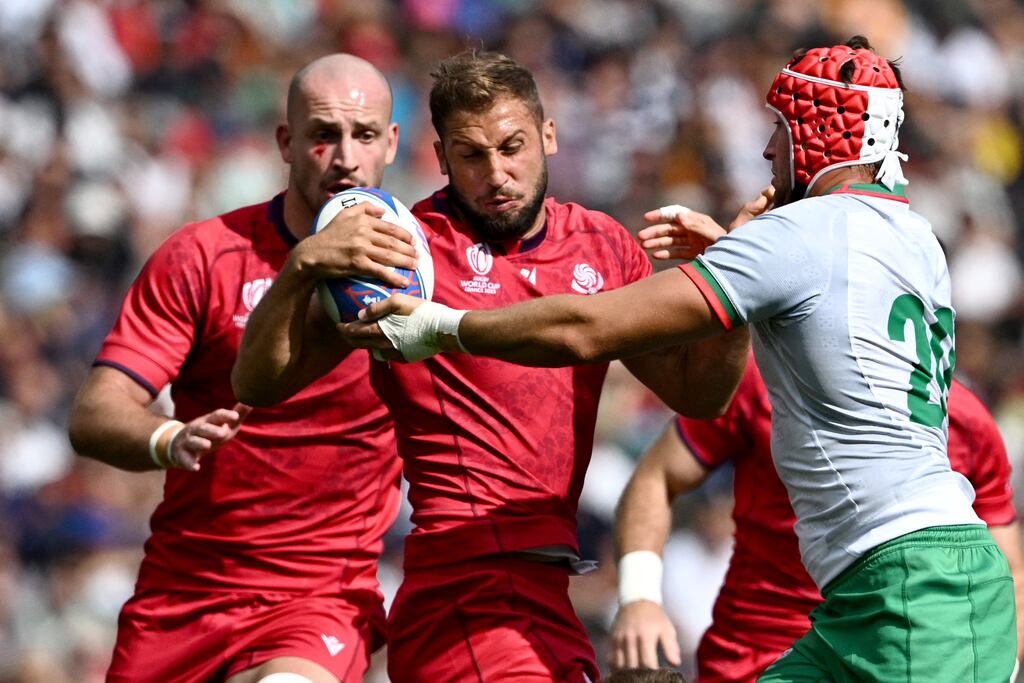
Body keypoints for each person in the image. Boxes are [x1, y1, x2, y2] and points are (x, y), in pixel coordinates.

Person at [346, 36, 1019, 681]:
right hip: (881, 588)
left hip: (913, 585)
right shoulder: (915, 234)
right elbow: (734, 360)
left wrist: (445, 326)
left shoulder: (802, 230)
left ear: (820, 137)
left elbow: (586, 327)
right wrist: (733, 261)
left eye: (780, 133)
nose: (765, 149)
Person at [233, 50, 748, 683]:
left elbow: (701, 395)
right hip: (466, 592)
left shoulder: (603, 246)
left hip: (546, 592)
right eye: (472, 155)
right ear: (442, 158)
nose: (497, 173)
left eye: (513, 147)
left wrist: (736, 291)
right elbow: (257, 383)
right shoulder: (402, 249)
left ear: (549, 136)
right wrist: (302, 268)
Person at [68, 54, 417, 683]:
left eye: (364, 135)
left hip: (320, 601)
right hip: (183, 594)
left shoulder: (429, 270)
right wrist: (168, 437)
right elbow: (94, 413)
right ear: (286, 141)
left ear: (392, 143)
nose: (345, 157)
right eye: (323, 135)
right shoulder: (202, 256)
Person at [609, 359, 1024, 680]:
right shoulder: (765, 379)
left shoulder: (967, 422)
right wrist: (639, 594)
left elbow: (1010, 575)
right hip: (758, 655)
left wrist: (998, 663)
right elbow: (658, 476)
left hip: (892, 657)